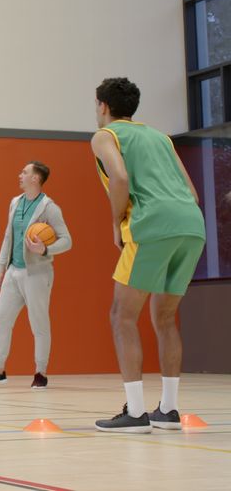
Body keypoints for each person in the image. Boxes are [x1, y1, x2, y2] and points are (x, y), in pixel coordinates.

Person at [89, 77, 206, 433]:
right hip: (191, 224)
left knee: (122, 316)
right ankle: (168, 411)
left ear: (104, 107)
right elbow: (192, 191)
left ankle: (136, 413)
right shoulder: (161, 137)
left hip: (152, 224)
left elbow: (120, 178)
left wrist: (115, 223)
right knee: (165, 317)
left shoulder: (104, 136)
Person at [0, 162, 72, 389]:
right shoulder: (15, 203)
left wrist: (46, 249)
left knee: (38, 323)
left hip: (37, 273)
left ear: (36, 179)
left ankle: (41, 372)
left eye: (25, 172)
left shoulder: (50, 208)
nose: (20, 175)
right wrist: (0, 267)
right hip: (13, 271)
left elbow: (67, 240)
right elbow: (8, 236)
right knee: (2, 320)